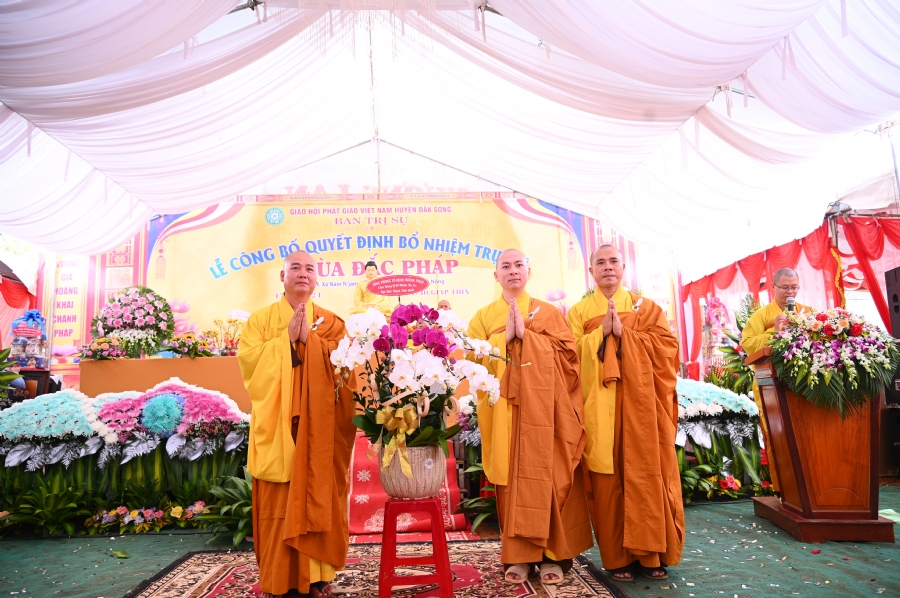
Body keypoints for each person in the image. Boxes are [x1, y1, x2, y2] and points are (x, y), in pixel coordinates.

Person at [468, 249, 593, 585]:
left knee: (551, 479)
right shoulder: (483, 317)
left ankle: (555, 557)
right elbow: (469, 362)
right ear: (496, 275)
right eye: (505, 266)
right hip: (506, 415)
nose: (513, 271)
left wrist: (529, 337)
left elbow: (570, 360)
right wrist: (502, 340)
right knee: (513, 483)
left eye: (519, 264)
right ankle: (520, 558)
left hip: (548, 413)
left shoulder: (549, 313)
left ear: (529, 271)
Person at [238, 251, 356, 598]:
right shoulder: (260, 322)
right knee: (281, 500)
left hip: (319, 430)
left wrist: (312, 342)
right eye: (295, 268)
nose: (302, 274)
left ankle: (318, 577)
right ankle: (283, 580)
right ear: (282, 276)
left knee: (318, 496)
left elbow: (347, 369)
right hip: (280, 430)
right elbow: (250, 369)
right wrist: (285, 342)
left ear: (317, 278)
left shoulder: (332, 323)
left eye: (309, 269)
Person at [566, 244, 684, 583]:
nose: (607, 267)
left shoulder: (646, 308)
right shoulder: (578, 312)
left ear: (623, 267)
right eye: (600, 262)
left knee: (645, 473)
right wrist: (599, 335)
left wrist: (626, 335)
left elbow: (667, 349)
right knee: (607, 479)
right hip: (599, 406)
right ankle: (616, 558)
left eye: (613, 261)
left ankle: (650, 556)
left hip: (642, 407)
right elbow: (569, 357)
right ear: (591, 271)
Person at [740, 267, 810, 491]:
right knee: (776, 432)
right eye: (785, 287)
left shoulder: (808, 312)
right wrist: (774, 332)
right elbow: (748, 345)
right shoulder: (760, 316)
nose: (790, 292)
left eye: (794, 287)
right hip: (770, 382)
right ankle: (783, 488)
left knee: (805, 432)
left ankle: (809, 485)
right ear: (774, 287)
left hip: (803, 383)